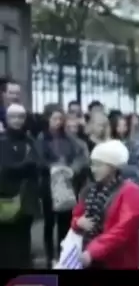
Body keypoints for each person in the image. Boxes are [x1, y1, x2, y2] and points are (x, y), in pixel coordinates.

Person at [71, 139, 139, 269]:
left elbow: (124, 229)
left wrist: (93, 251)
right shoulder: (88, 190)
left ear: (113, 167)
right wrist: (78, 222)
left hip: (117, 260)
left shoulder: (130, 191)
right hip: (87, 257)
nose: (94, 169)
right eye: (92, 165)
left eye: (99, 165)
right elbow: (76, 216)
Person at [36, 104, 88, 268]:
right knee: (49, 222)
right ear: (48, 119)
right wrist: (53, 167)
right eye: (54, 118)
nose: (58, 122)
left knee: (65, 222)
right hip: (49, 185)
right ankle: (50, 256)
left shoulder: (68, 138)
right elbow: (39, 160)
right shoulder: (42, 138)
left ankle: (63, 254)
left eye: (60, 118)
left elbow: (80, 156)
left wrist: (73, 168)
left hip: (66, 184)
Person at [0, 104, 40, 268]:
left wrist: (23, 166)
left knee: (24, 239)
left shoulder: (30, 140)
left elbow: (38, 163)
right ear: (7, 119)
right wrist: (26, 166)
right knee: (6, 240)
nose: (17, 120)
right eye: (13, 116)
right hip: (6, 198)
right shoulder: (2, 140)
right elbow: (5, 168)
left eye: (21, 117)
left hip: (27, 198)